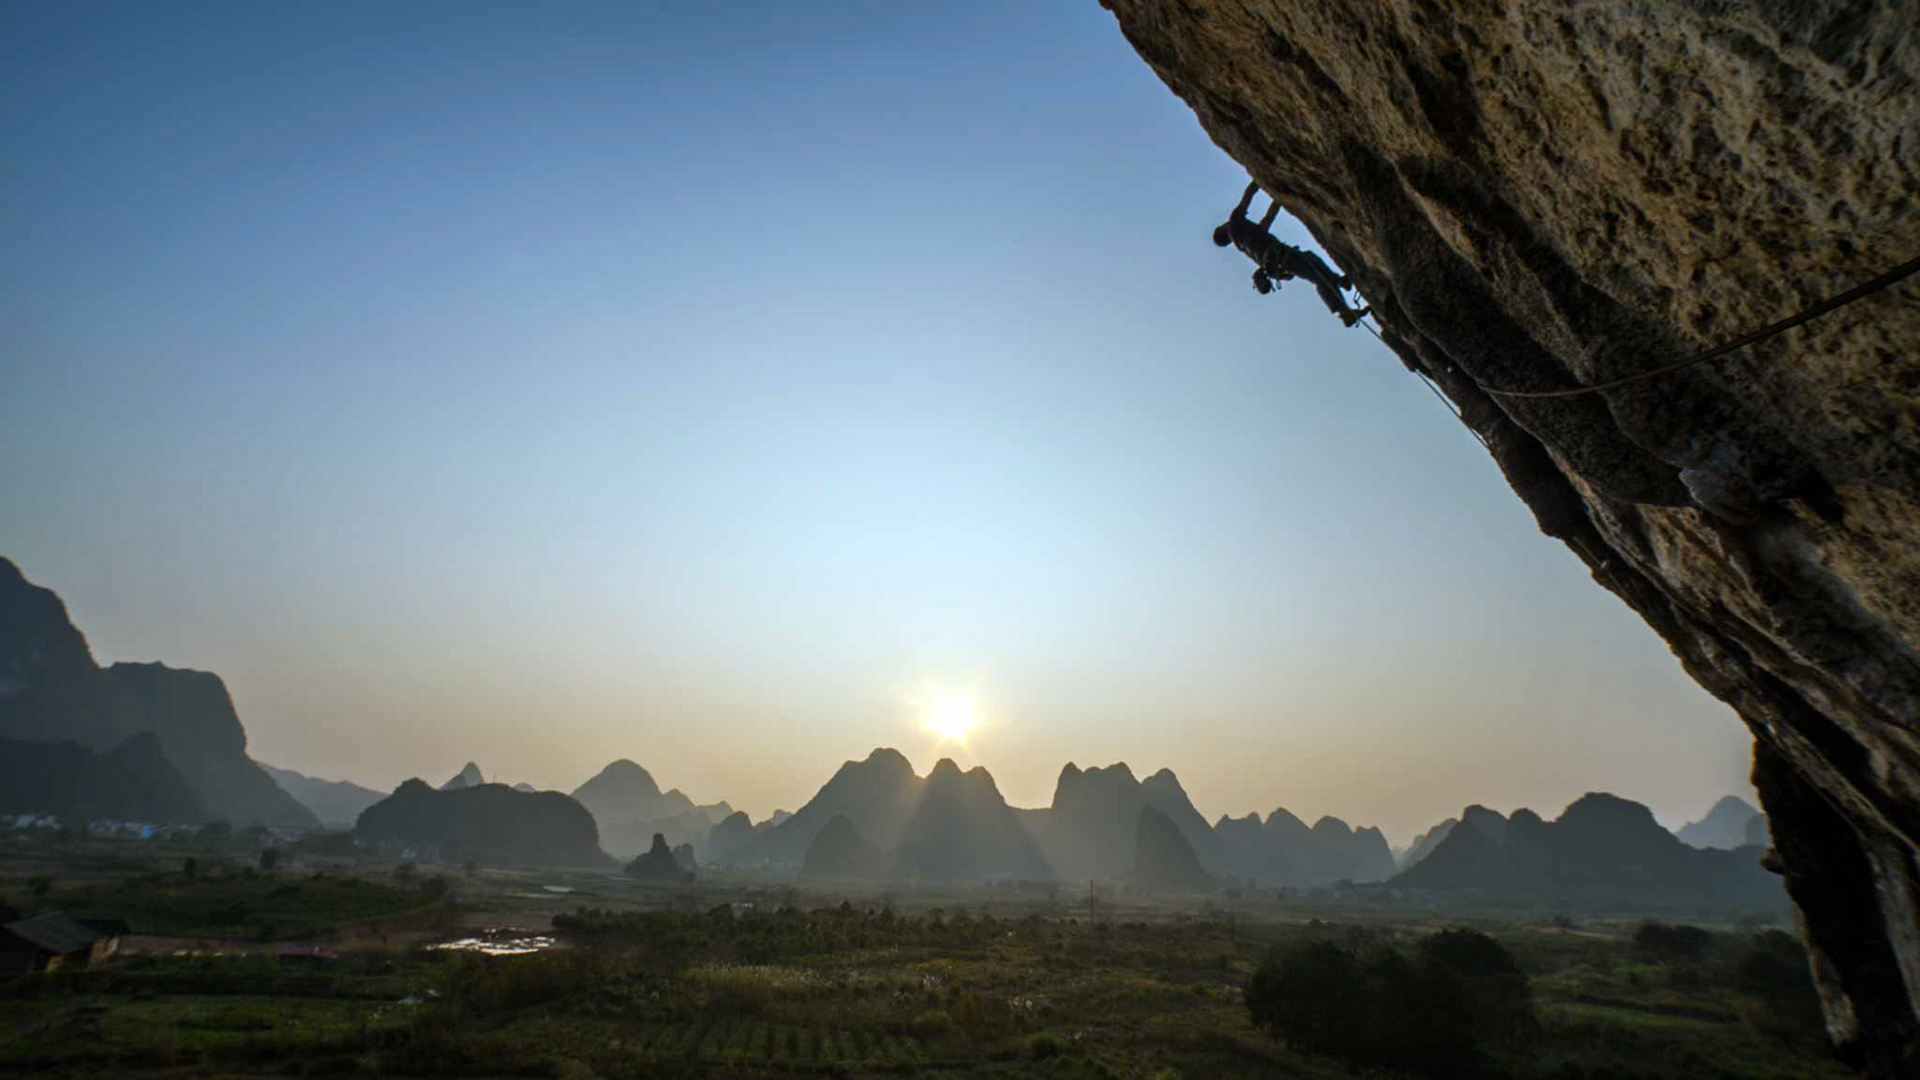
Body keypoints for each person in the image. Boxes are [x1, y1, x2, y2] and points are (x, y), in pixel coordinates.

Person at [1214, 181, 1370, 327]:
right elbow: (1248, 196)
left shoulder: (1243, 240)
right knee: (1318, 277)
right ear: (1222, 230)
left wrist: (1279, 198)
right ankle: (1343, 312)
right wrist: (1260, 180)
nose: (1224, 223)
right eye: (1222, 225)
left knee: (1312, 261)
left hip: (1277, 261)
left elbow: (1267, 220)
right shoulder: (1234, 224)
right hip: (1280, 257)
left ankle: (1340, 283)